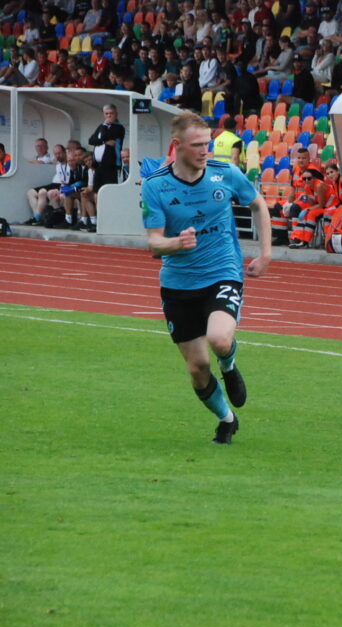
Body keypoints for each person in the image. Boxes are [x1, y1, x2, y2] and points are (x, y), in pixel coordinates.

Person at [141, 112, 272, 445]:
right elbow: (154, 243)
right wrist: (176, 243)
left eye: (207, 144)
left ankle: (228, 365)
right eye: (197, 145)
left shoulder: (224, 173)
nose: (205, 151)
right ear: (177, 146)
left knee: (219, 339)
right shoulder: (155, 185)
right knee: (197, 368)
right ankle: (226, 419)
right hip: (178, 283)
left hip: (222, 271)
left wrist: (266, 254)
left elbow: (258, 204)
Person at [24, 144, 70, 225]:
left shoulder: (70, 164)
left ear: (64, 153)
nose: (58, 156)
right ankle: (37, 216)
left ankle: (37, 217)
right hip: (54, 184)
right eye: (56, 154)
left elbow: (65, 182)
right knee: (30, 192)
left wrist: (62, 190)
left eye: (59, 153)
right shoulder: (58, 165)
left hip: (60, 185)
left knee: (42, 192)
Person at [87, 104, 126, 197]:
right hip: (98, 165)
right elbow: (91, 140)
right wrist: (104, 142)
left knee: (109, 191)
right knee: (97, 191)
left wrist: (105, 126)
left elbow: (105, 136)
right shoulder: (101, 126)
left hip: (110, 165)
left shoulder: (119, 127)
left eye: (111, 113)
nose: (109, 116)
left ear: (116, 114)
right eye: (106, 114)